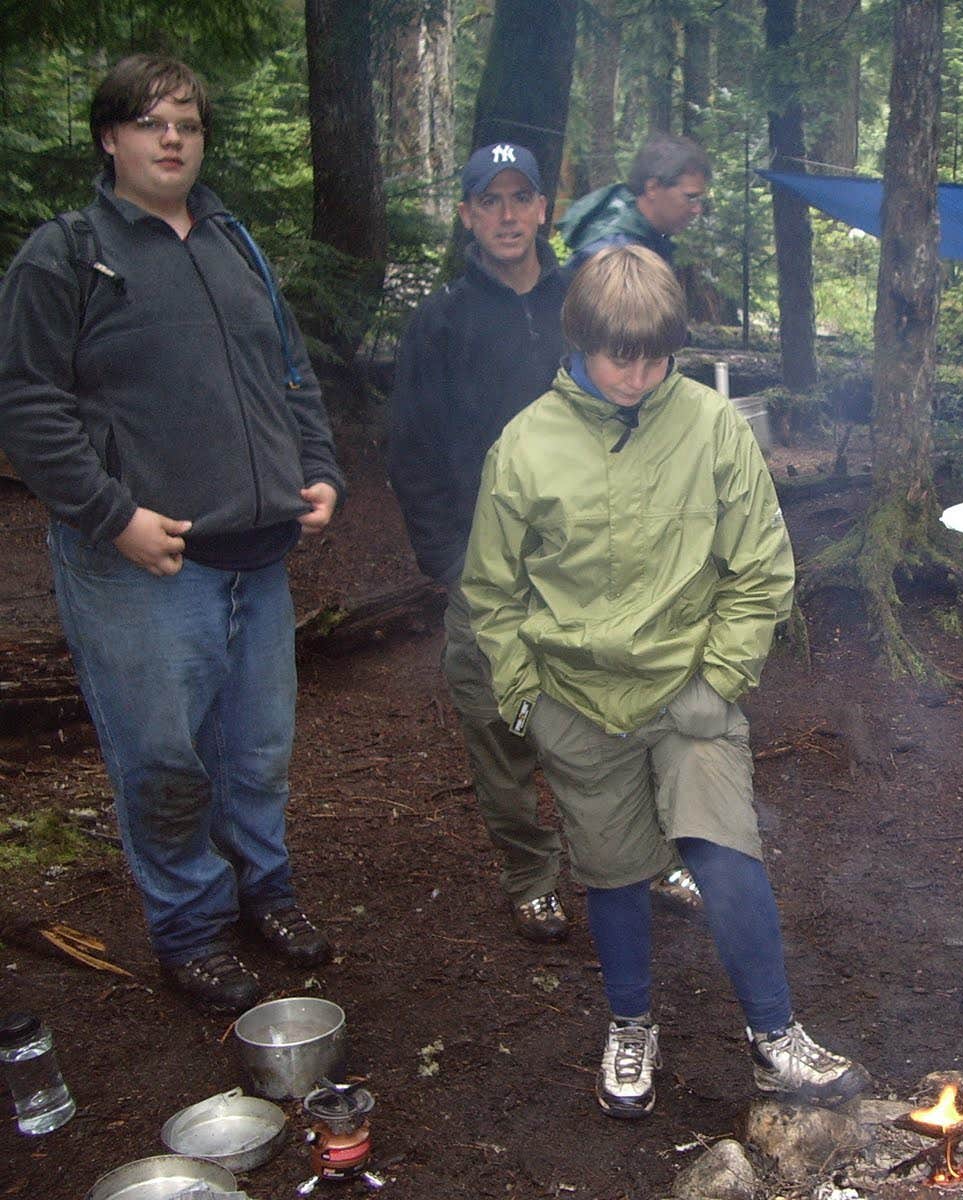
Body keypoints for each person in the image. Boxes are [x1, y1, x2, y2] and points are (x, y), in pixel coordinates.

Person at [460, 244, 868, 1118]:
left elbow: (760, 565)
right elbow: (493, 591)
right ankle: (632, 1023)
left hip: (691, 689)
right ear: (580, 340)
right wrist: (525, 695)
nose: (640, 376)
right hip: (577, 698)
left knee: (725, 853)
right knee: (611, 871)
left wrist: (718, 680)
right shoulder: (526, 445)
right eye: (621, 357)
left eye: (657, 357)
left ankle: (774, 1037)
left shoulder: (711, 424)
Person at [0, 55, 343, 1014]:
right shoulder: (66, 254)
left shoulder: (235, 241)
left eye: (187, 123)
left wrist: (318, 468)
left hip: (258, 555)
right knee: (162, 758)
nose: (172, 139)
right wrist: (114, 517)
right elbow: (26, 406)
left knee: (257, 750)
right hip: (143, 567)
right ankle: (191, 930)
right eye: (150, 122)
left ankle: (262, 894)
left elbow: (289, 373)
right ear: (110, 137)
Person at [388, 143, 701, 941]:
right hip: (488, 568)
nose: (505, 214)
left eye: (519, 198)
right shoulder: (441, 321)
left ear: (542, 210)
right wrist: (450, 563)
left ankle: (655, 853)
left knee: (624, 710)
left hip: (597, 559)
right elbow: (411, 448)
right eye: (488, 201)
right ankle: (531, 871)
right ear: (467, 215)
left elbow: (646, 402)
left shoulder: (581, 302)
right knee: (500, 728)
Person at [557, 131, 709, 274]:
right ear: (653, 188)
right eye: (690, 197)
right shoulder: (613, 256)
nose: (697, 209)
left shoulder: (647, 237)